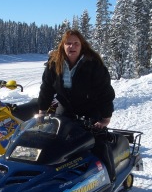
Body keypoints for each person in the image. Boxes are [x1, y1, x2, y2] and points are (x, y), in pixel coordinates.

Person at [37, 29, 117, 181]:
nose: (71, 47)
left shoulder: (93, 63)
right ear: (62, 45)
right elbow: (46, 87)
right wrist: (42, 110)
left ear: (82, 46)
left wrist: (105, 117)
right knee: (55, 139)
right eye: (68, 43)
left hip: (91, 107)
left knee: (96, 142)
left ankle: (109, 177)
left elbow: (105, 91)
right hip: (66, 106)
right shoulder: (54, 63)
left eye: (76, 43)